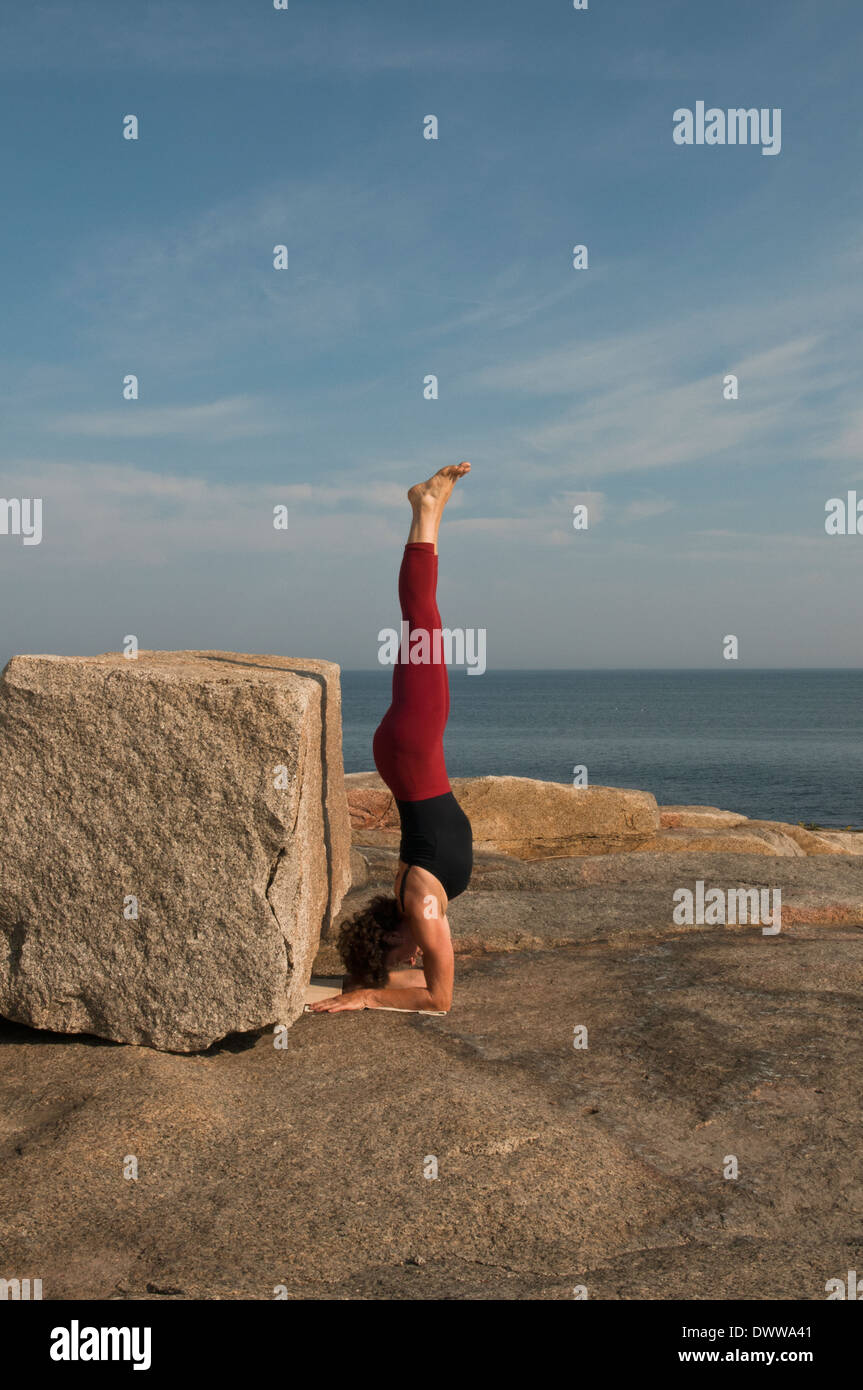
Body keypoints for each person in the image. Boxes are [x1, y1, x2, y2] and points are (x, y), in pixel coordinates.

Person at [310, 463, 472, 1014]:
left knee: (421, 621)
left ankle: (426, 509)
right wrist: (371, 987)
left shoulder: (423, 905)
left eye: (398, 958)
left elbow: (439, 999)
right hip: (407, 754)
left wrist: (366, 996)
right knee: (420, 624)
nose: (411, 962)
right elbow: (430, 988)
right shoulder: (416, 903)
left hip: (414, 748)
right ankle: (429, 512)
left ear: (390, 935)